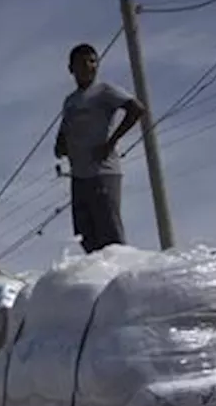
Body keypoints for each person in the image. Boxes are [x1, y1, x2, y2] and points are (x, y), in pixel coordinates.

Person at [53, 43, 146, 253]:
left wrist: (111, 142)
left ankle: (119, 276)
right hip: (79, 175)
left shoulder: (105, 91)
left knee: (109, 234)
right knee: (86, 236)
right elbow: (64, 130)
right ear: (71, 68)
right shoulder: (70, 101)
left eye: (92, 61)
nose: (88, 66)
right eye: (81, 62)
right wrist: (60, 145)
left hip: (102, 172)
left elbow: (136, 109)